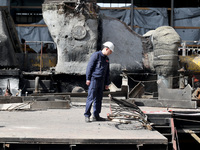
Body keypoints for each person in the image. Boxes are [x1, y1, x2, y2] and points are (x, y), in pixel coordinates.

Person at [84, 41, 114, 123]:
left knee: (99, 99)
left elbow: (107, 72)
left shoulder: (107, 59)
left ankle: (96, 116)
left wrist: (107, 83)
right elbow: (89, 67)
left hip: (102, 81)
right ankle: (87, 115)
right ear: (106, 49)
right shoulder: (96, 55)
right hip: (94, 80)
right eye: (110, 51)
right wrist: (88, 79)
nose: (110, 53)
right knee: (91, 98)